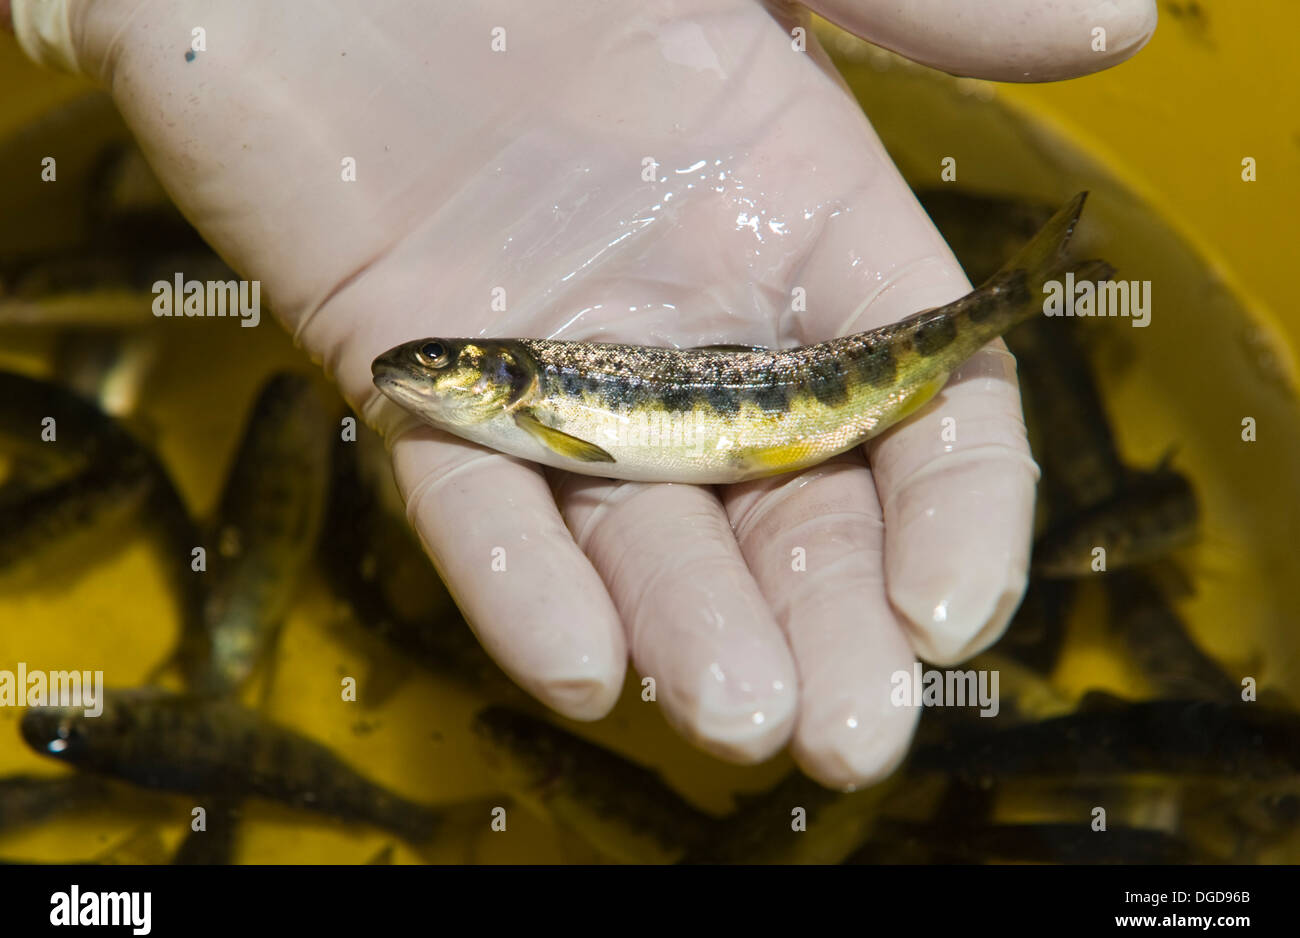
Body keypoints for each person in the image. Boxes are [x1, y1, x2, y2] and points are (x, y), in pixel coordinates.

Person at [5, 0, 1157, 789]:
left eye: (444, 368)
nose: (417, 378)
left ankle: (1011, 297)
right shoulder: (515, 397)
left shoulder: (539, 401)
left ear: (497, 379)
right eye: (436, 367)